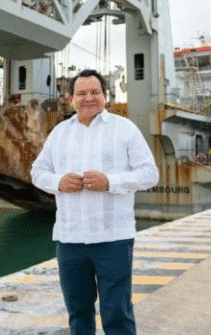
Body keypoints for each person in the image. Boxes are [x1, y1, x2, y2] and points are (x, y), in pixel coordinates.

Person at [31, 69, 159, 335]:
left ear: (106, 96)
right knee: (78, 313)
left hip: (113, 238)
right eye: (81, 93)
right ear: (70, 99)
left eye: (95, 92)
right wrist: (58, 183)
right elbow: (37, 172)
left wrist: (110, 182)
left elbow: (150, 174)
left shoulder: (125, 130)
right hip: (70, 240)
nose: (89, 98)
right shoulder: (59, 133)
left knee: (117, 313)